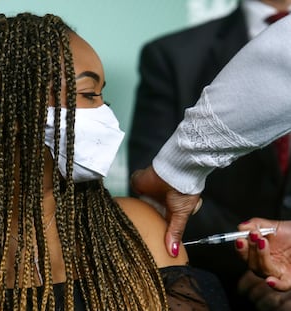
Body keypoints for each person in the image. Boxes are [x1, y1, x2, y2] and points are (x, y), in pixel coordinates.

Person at [0, 13, 229, 311]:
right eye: (88, 94)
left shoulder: (137, 229)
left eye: (102, 94)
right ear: (11, 113)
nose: (105, 112)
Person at [128, 1, 291, 308]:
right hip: (226, 290)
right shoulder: (172, 53)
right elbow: (152, 185)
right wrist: (251, 265)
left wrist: (177, 168)